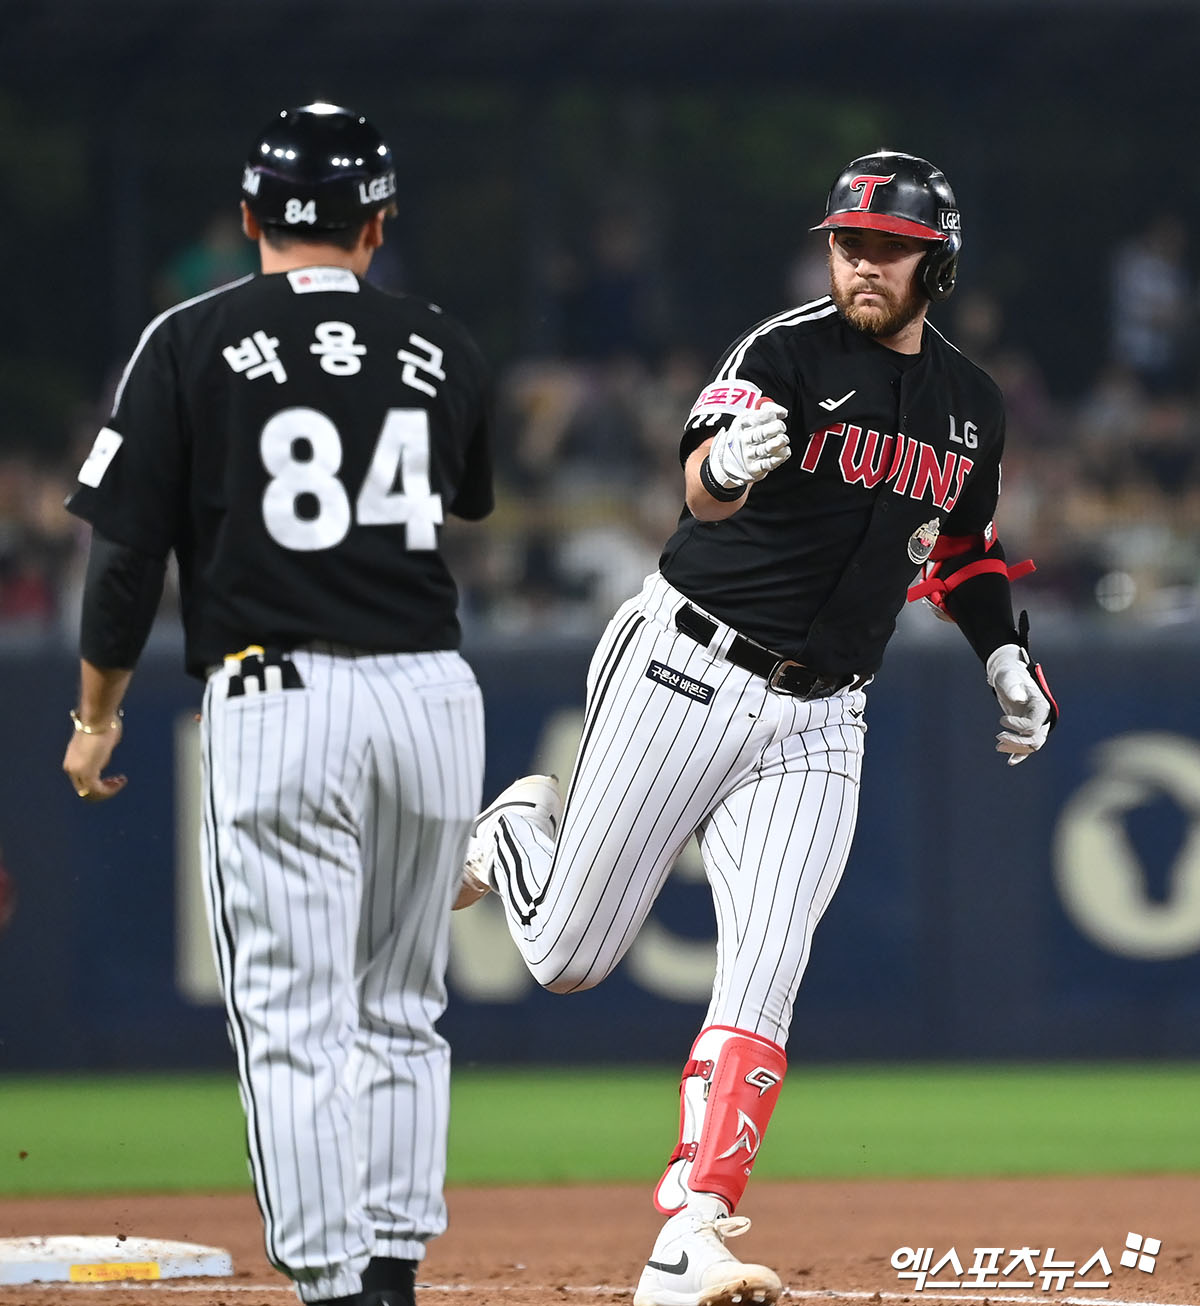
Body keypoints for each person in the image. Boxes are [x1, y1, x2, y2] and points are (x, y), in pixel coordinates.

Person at [453, 151, 1058, 1306]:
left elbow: (966, 548)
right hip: (689, 665)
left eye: (887, 246)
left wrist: (1003, 651)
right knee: (569, 957)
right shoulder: (782, 349)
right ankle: (518, 833)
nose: (860, 260)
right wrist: (722, 466)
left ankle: (695, 1226)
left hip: (827, 711)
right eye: (847, 240)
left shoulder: (970, 405)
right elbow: (701, 480)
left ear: (939, 262)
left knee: (767, 966)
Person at [62, 103, 494, 1306]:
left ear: (251, 217)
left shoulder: (188, 338)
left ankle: (337, 1288)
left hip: (280, 693)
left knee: (296, 1019)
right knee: (403, 1002)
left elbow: (125, 555)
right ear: (381, 221)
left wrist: (98, 713)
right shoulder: (441, 341)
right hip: (428, 696)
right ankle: (394, 1271)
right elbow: (467, 497)